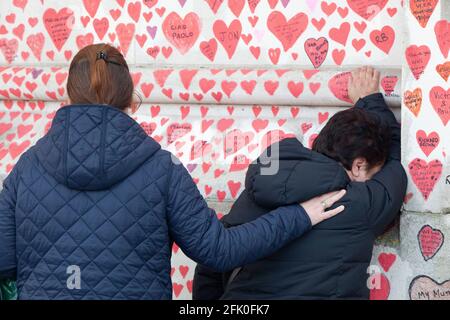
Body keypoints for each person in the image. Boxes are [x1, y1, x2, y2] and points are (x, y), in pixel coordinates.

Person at [0, 44, 345, 300]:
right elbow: (218, 249)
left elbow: (5, 264)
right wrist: (299, 215)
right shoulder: (162, 170)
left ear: (67, 100)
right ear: (132, 103)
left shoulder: (25, 169)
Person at [193, 66, 408, 300]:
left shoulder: (262, 185)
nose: (372, 180)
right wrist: (370, 100)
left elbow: (212, 262)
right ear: (358, 165)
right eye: (373, 172)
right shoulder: (358, 203)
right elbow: (398, 161)